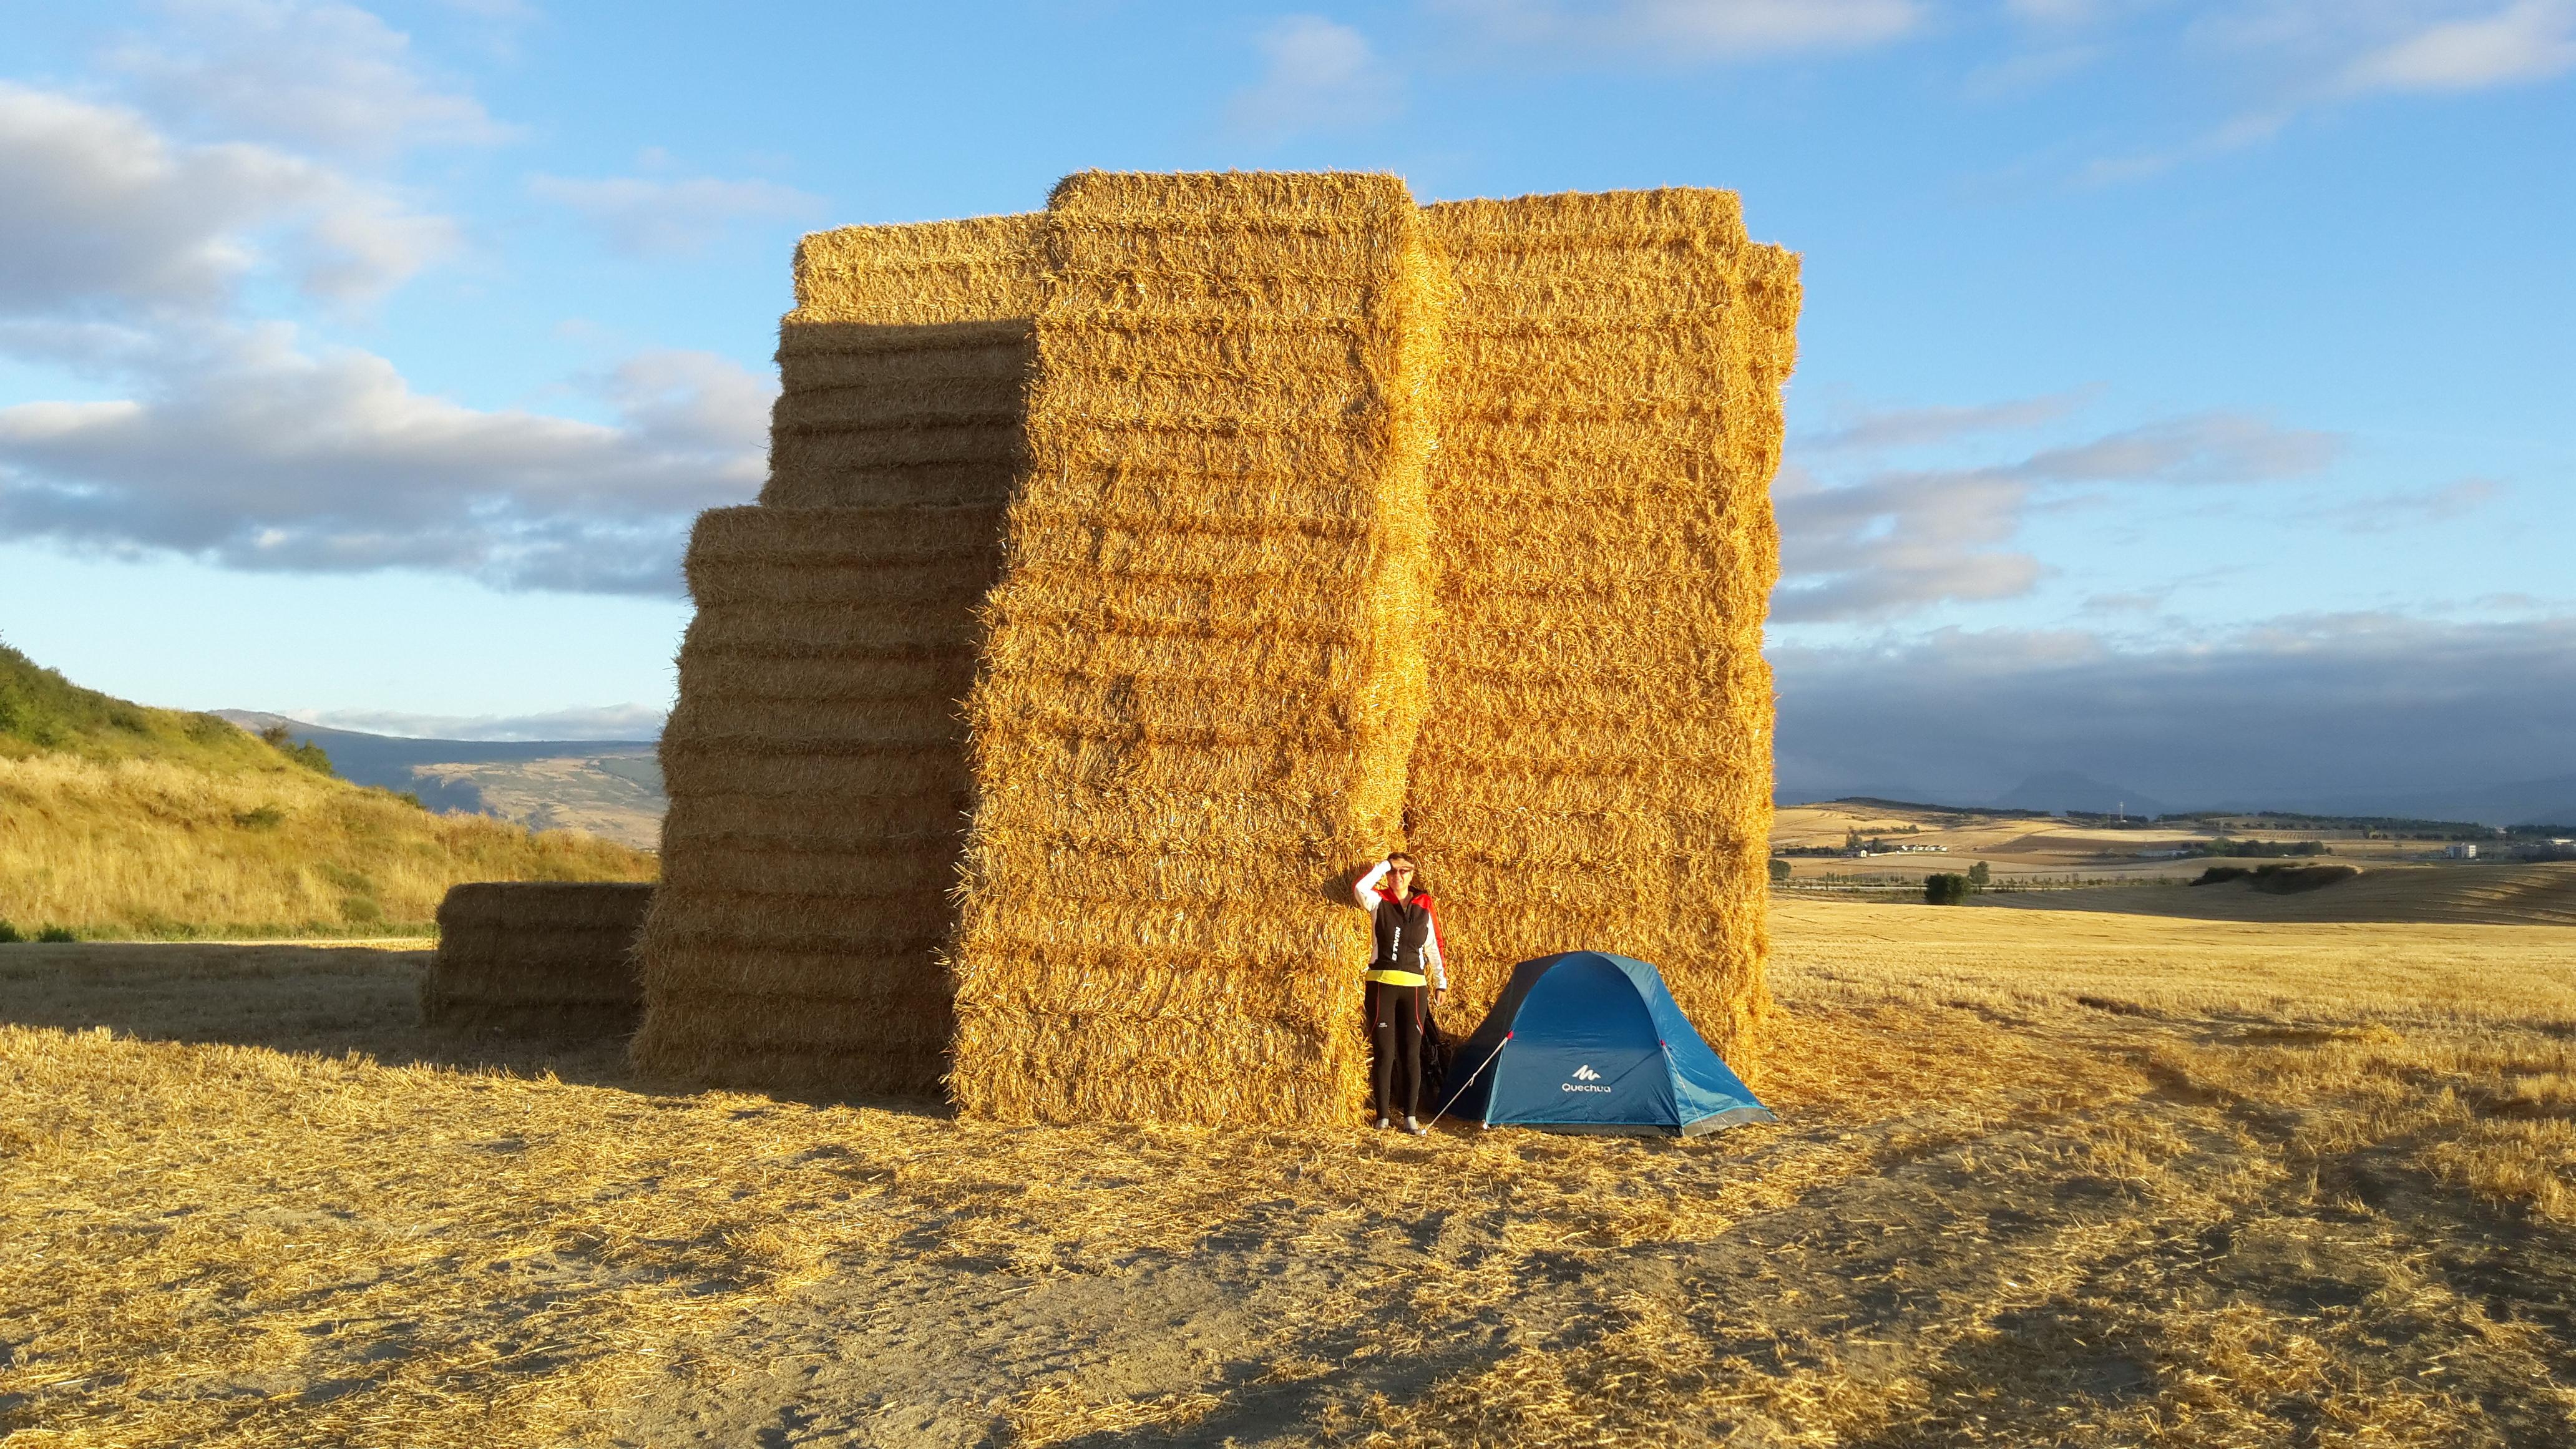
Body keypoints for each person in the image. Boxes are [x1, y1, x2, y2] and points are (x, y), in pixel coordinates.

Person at [1352, 852, 1447, 1134]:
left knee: (1411, 1052)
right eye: (1394, 871)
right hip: (1381, 983)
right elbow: (1359, 888)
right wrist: (1382, 866)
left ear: (1413, 874)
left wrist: (1441, 982)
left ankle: (1410, 1118)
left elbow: (1434, 946)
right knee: (1385, 1051)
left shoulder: (1424, 904)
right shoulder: (1378, 899)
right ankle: (1382, 1117)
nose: (1399, 876)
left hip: (1415, 987)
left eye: (1405, 871)